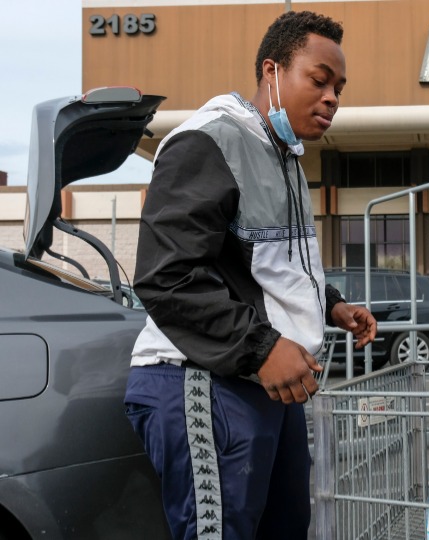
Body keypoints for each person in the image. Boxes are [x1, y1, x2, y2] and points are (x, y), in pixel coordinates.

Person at [124, 11, 376, 540]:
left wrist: (331, 303)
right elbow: (167, 275)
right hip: (205, 379)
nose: (332, 97)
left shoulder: (283, 157)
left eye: (339, 87)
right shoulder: (210, 141)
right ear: (272, 71)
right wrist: (261, 348)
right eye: (319, 79)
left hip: (264, 384)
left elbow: (264, 264)